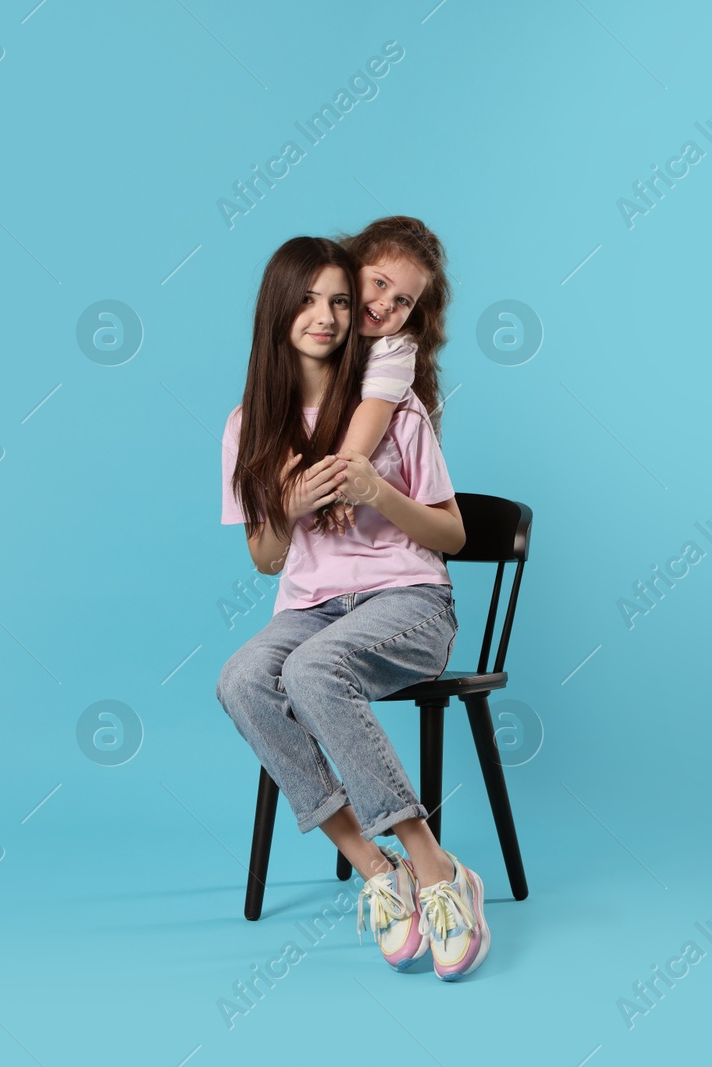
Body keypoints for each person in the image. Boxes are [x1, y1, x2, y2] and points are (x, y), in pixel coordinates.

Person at [216, 234, 490, 980]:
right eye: (309, 299)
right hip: (312, 607)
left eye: (341, 300)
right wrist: (290, 506)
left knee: (312, 670)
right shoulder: (250, 425)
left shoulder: (395, 407)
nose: (330, 314)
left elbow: (455, 534)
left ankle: (437, 870)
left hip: (409, 603)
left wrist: (377, 492)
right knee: (242, 679)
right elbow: (266, 559)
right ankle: (376, 865)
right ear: (278, 309)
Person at [313, 215, 452, 539]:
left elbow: (374, 409)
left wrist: (340, 485)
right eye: (380, 282)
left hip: (383, 526)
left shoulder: (396, 348)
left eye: (403, 301)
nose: (386, 303)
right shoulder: (319, 327)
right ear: (350, 269)